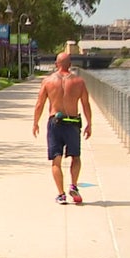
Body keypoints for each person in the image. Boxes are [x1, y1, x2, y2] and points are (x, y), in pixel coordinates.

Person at [32, 52, 92, 204]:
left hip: (55, 123)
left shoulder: (48, 81)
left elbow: (40, 104)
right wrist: (89, 124)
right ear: (70, 64)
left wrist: (35, 122)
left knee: (56, 161)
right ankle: (74, 185)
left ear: (56, 64)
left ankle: (61, 194)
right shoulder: (79, 81)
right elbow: (86, 104)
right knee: (76, 157)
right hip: (72, 123)